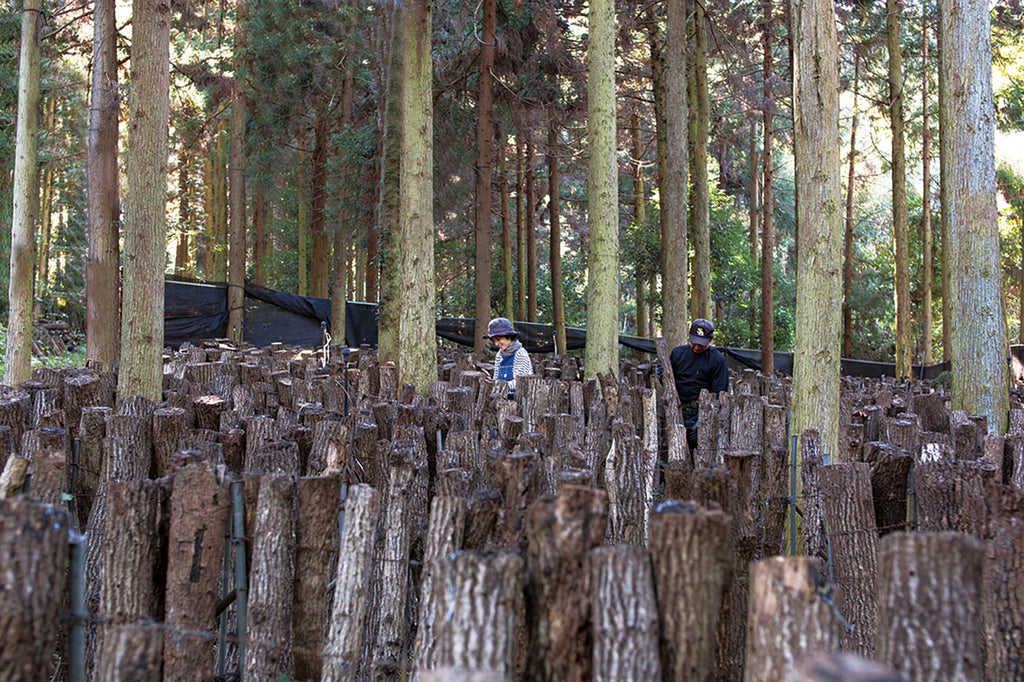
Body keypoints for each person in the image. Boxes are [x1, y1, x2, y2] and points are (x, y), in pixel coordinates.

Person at [670, 318, 730, 453]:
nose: (696, 347)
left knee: (702, 453)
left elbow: (720, 393)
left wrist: (706, 418)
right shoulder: (678, 353)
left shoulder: (717, 360)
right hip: (678, 411)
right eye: (694, 343)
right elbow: (668, 380)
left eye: (701, 344)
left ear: (710, 340)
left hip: (702, 414)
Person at [484, 317, 532, 399]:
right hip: (502, 397)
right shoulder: (499, 355)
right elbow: (496, 378)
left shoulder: (520, 353)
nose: (496, 344)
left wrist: (498, 385)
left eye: (498, 339)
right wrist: (491, 382)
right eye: (494, 340)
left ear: (509, 336)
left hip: (518, 399)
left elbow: (520, 383)